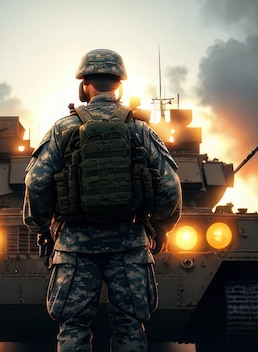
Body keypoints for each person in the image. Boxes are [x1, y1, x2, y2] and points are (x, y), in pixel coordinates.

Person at [23, 48, 182, 352]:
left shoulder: (63, 129)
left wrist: (43, 227)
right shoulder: (140, 129)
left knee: (73, 326)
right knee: (131, 325)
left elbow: (37, 182)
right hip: (130, 244)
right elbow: (170, 185)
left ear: (84, 86)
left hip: (74, 246)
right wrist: (160, 226)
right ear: (119, 85)